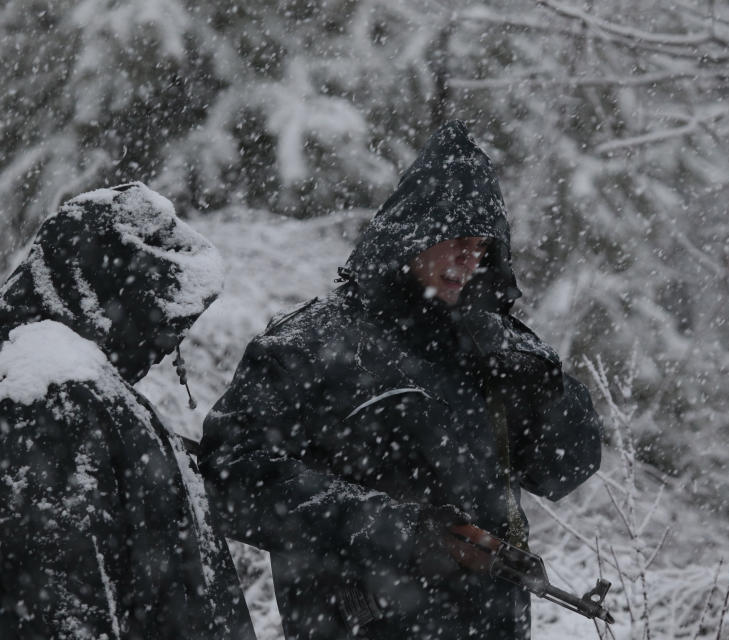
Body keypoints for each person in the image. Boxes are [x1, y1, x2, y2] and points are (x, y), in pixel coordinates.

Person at [199, 120, 602, 639]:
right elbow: (230, 475)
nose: (468, 257)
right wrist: (392, 529)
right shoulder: (314, 343)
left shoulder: (494, 344)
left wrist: (549, 390)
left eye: (480, 245)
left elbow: (565, 469)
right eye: (455, 237)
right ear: (414, 236)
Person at [0, 183, 256, 640]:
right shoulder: (52, 392)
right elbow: (60, 602)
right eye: (156, 325)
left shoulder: (75, 387)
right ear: (105, 298)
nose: (164, 350)